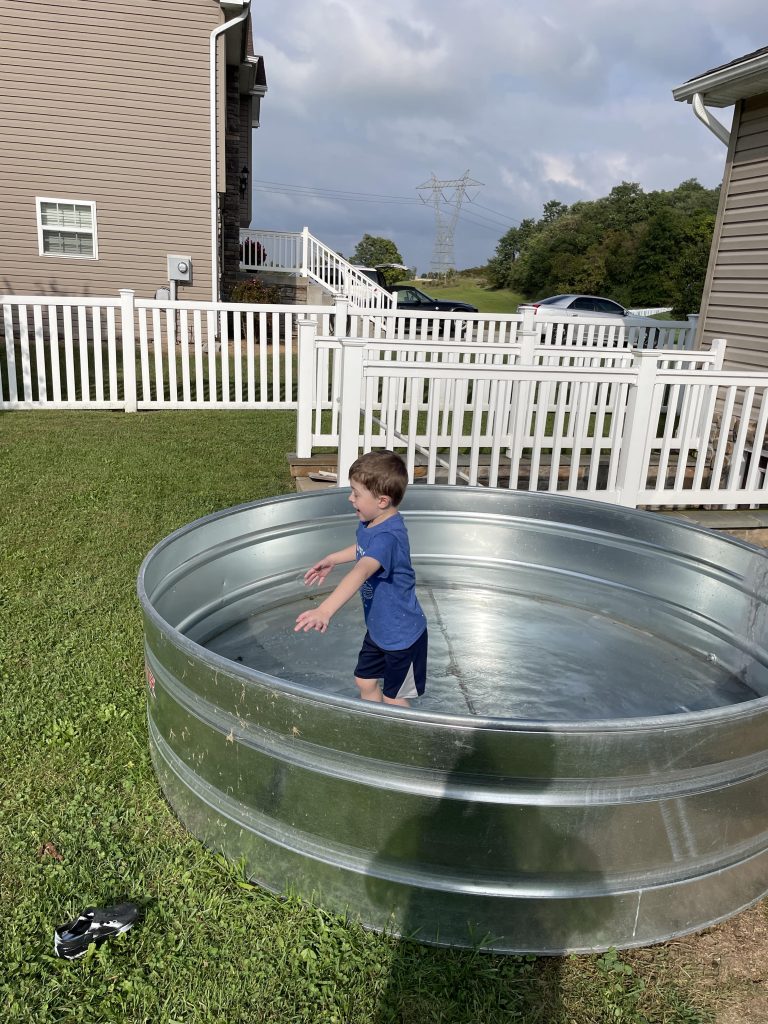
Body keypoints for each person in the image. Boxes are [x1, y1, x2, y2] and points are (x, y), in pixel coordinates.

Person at [294, 450, 427, 707]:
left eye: (356, 494)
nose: (350, 498)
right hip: (380, 630)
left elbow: (362, 570)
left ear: (382, 501)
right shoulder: (372, 523)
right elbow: (362, 548)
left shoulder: (389, 537)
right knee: (364, 681)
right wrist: (333, 558)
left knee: (394, 697)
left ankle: (407, 740)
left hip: (403, 638)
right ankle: (378, 722)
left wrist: (325, 610)